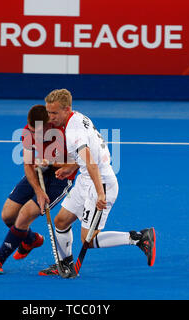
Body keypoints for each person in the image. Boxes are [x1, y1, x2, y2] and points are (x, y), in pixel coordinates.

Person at [39, 89, 156, 276]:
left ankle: (138, 238)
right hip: (86, 180)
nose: (50, 117)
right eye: (48, 112)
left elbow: (92, 163)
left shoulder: (73, 129)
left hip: (100, 183)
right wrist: (71, 168)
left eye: (54, 113)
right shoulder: (76, 118)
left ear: (67, 109)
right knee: (61, 221)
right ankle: (65, 264)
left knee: (89, 239)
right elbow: (88, 157)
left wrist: (100, 194)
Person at [0, 104, 78, 274]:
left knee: (24, 216)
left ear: (49, 124)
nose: (33, 135)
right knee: (8, 216)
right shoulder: (28, 131)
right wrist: (38, 190)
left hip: (61, 177)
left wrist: (50, 162)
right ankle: (31, 239)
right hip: (40, 172)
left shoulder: (66, 133)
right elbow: (28, 164)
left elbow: (76, 164)